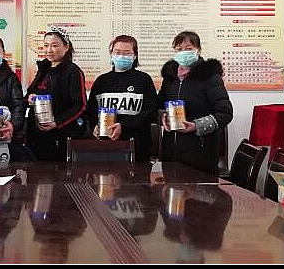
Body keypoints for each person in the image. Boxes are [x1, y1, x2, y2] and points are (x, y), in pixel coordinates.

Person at [157, 31, 233, 175]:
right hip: (170, 153)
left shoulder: (210, 77)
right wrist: (163, 117)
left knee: (197, 188)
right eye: (179, 49)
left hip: (200, 153)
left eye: (188, 48)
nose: (183, 52)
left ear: (198, 50)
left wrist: (196, 126)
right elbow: (159, 105)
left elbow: (225, 113)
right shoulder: (170, 78)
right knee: (171, 188)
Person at [87, 35, 158, 161]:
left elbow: (151, 112)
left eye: (127, 53)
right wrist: (95, 126)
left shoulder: (144, 80)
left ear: (135, 56)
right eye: (117, 52)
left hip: (137, 146)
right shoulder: (101, 81)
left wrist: (123, 126)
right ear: (111, 54)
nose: (121, 56)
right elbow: (91, 110)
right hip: (105, 146)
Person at [25, 26, 87, 161]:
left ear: (66, 47)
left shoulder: (73, 72)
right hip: (36, 134)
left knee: (57, 171)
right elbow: (29, 94)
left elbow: (80, 105)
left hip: (60, 135)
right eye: (46, 45)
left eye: (54, 45)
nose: (49, 50)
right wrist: (29, 98)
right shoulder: (43, 69)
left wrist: (57, 123)